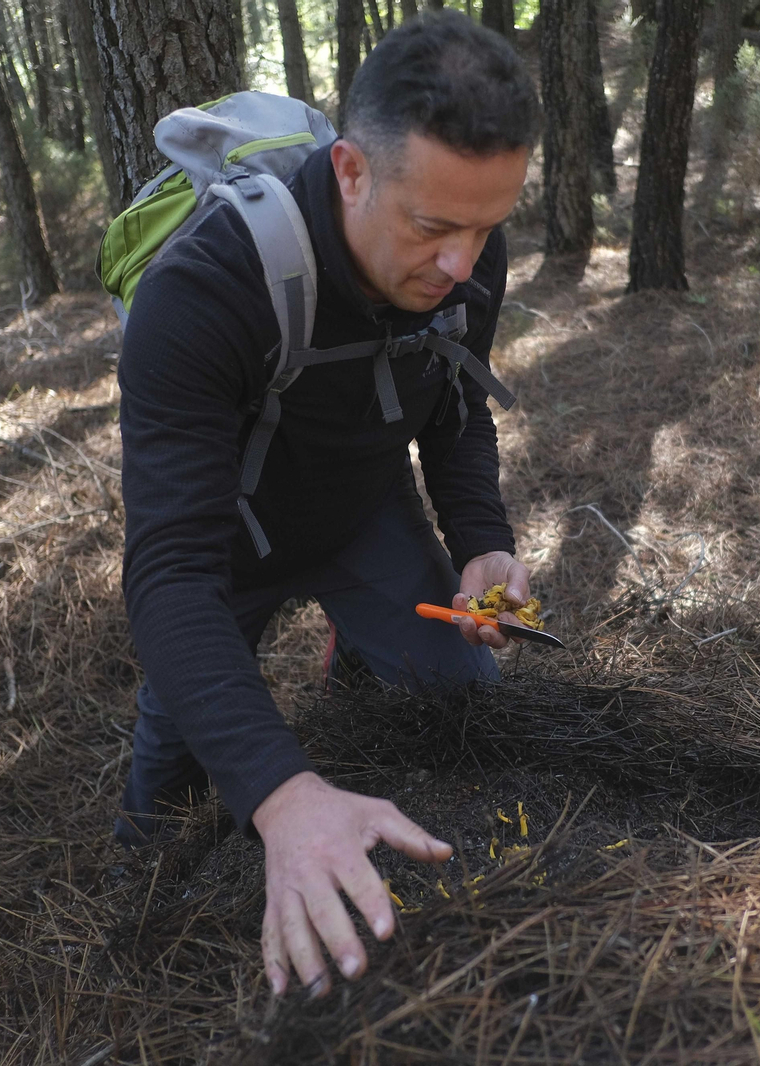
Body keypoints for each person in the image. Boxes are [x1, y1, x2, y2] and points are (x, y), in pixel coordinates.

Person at [114, 13, 543, 999]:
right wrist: (279, 792)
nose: (462, 267)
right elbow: (167, 573)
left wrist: (482, 547)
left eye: (488, 224)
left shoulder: (467, 246)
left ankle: (352, 654)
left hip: (360, 511)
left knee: (461, 697)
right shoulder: (204, 289)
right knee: (176, 773)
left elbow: (456, 397)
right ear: (350, 170)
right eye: (433, 227)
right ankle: (133, 903)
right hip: (228, 542)